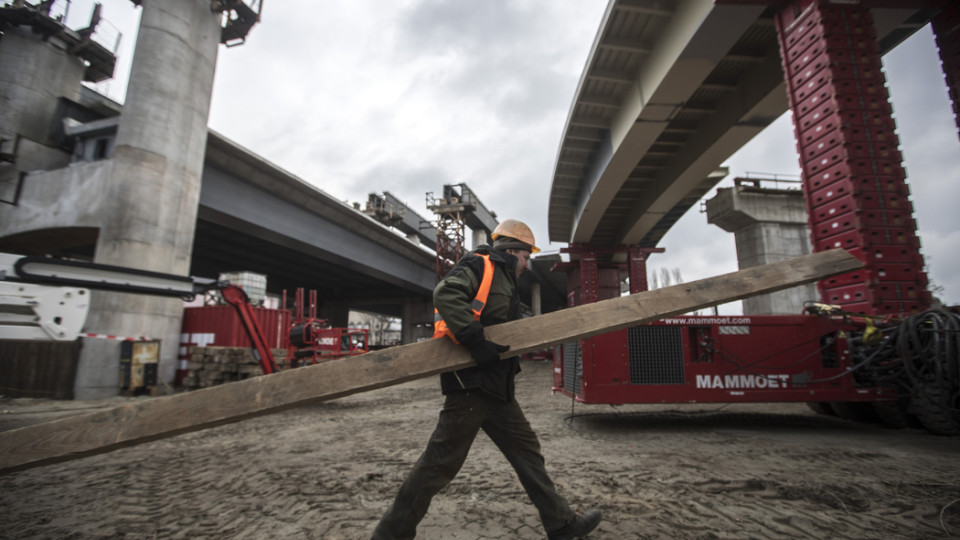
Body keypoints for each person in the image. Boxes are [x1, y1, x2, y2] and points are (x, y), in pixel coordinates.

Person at [372, 219, 601, 540]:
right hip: (471, 384)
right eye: (525, 257)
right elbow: (446, 293)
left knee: (526, 451)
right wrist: (474, 340)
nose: (526, 265)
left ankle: (561, 523)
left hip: (496, 386)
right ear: (511, 252)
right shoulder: (481, 265)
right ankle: (391, 533)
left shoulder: (505, 280)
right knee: (440, 462)